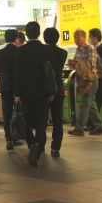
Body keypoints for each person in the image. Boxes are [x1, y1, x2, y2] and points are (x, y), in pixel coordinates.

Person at [13, 22, 55, 166]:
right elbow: (50, 72)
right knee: (41, 120)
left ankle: (32, 145)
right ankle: (39, 144)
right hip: (42, 92)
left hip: (26, 92)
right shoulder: (46, 50)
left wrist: (17, 93)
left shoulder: (21, 51)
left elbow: (18, 74)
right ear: (39, 33)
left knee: (28, 120)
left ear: (27, 33)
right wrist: (51, 91)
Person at [68, 29, 102, 137]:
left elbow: (91, 65)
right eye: (75, 37)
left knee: (85, 104)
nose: (76, 39)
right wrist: (73, 64)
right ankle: (100, 126)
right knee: (91, 104)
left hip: (90, 80)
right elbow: (78, 65)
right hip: (81, 79)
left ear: (84, 38)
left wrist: (79, 64)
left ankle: (79, 128)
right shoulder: (78, 50)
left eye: (78, 36)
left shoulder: (90, 48)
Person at [0, 29, 21, 150]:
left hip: (5, 87)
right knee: (20, 112)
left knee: (7, 114)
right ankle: (18, 135)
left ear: (5, 39)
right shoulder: (20, 52)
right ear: (16, 38)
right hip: (18, 87)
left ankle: (9, 139)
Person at [43, 28, 68, 158]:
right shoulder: (63, 53)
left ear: (45, 38)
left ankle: (41, 145)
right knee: (57, 120)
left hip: (44, 90)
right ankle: (55, 148)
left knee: (42, 118)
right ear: (58, 38)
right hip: (58, 88)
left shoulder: (42, 52)